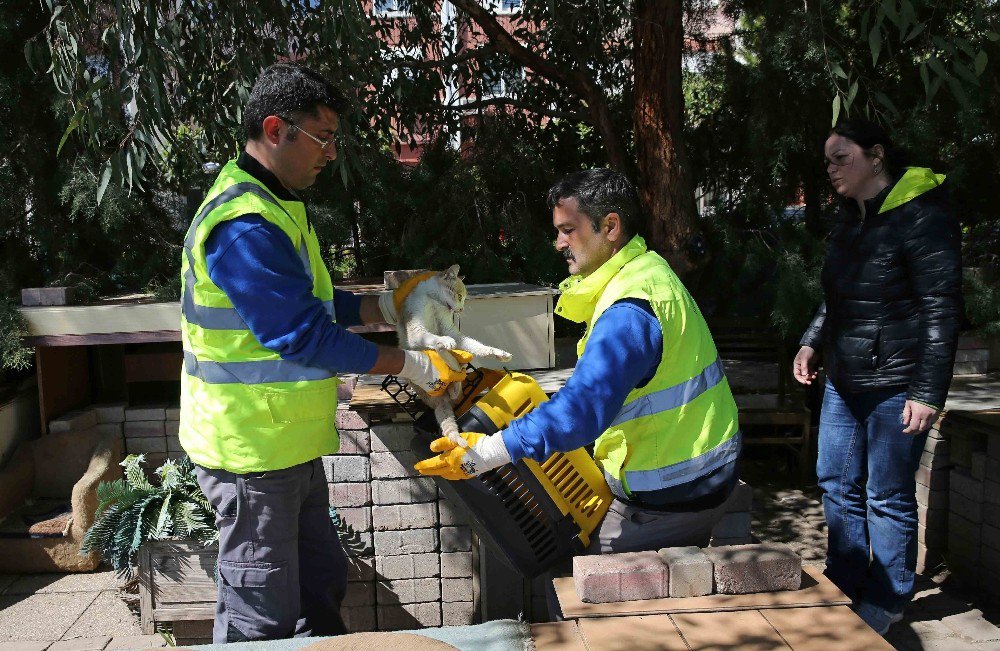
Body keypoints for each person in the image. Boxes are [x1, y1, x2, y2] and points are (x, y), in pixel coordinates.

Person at [178, 63, 465, 643]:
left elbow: (313, 303)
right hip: (251, 454)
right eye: (324, 136)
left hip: (284, 447)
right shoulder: (245, 225)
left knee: (319, 588)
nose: (332, 153)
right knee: (263, 615)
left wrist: (390, 306)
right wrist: (407, 364)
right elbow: (302, 335)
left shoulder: (278, 205)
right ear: (276, 129)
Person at [416, 169, 742, 552]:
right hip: (696, 469)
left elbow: (582, 411)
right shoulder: (646, 272)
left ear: (610, 226)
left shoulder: (628, 311)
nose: (558, 243)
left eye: (568, 229)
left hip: (677, 490)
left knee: (579, 576)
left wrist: (485, 454)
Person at [793, 117, 962, 635]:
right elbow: (838, 294)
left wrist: (927, 392)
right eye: (827, 161)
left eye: (841, 158)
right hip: (845, 379)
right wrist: (812, 340)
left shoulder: (923, 218)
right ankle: (844, 582)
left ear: (877, 156)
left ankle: (888, 599)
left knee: (886, 494)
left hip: (896, 384)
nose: (831, 169)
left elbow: (941, 310)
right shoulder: (851, 218)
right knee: (835, 482)